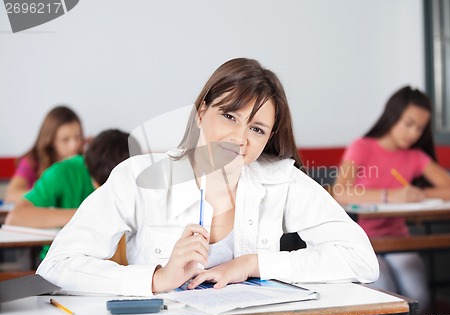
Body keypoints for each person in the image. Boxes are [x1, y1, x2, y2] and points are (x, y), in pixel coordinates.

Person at [37, 58, 378, 301]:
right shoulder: (139, 178)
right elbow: (56, 266)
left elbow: (361, 259)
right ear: (201, 113)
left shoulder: (280, 180)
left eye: (256, 128)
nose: (239, 138)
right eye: (229, 115)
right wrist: (157, 279)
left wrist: (251, 264)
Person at [334, 86, 450, 315]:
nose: (413, 133)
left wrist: (418, 193)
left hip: (399, 239)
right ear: (392, 116)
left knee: (420, 298)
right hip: (363, 243)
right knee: (378, 302)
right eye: (409, 123)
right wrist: (391, 195)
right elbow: (341, 192)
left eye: (420, 128)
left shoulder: (415, 156)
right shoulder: (362, 147)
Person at [6, 129, 132, 259]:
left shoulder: (135, 174)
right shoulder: (62, 172)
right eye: (65, 139)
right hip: (64, 263)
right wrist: (88, 214)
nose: (73, 145)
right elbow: (15, 217)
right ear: (94, 182)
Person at [5, 106, 84, 204]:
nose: (74, 145)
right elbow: (11, 194)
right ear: (50, 140)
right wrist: (45, 194)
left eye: (78, 137)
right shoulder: (32, 161)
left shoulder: (84, 160)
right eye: (65, 139)